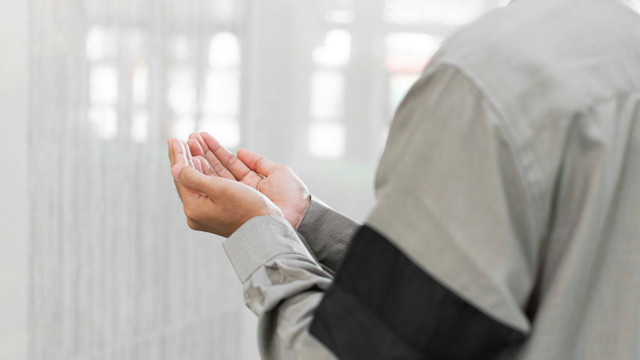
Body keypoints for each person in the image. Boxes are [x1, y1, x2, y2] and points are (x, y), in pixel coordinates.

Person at [168, 0, 640, 358]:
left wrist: (260, 237)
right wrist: (306, 222)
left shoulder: (487, 81)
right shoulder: (623, 52)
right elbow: (467, 297)